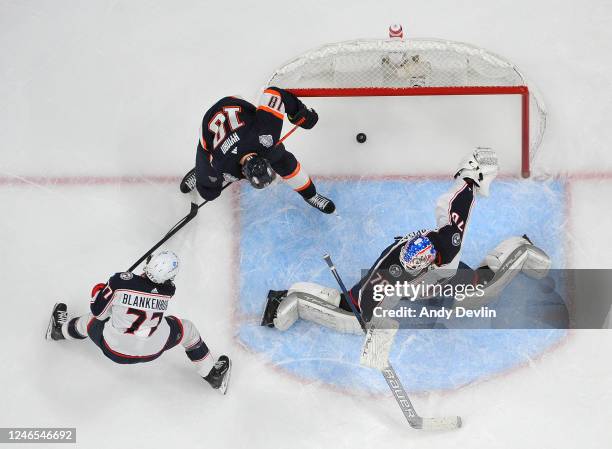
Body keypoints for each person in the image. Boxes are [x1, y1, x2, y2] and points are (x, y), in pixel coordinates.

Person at [260, 148, 551, 336]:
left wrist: (472, 176)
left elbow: (453, 205)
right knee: (353, 316)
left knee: (482, 291)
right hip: (419, 276)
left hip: (434, 277)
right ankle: (291, 300)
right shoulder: (405, 263)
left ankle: (519, 249)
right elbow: (370, 297)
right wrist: (368, 319)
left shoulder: (444, 240)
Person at [45, 251, 232, 394]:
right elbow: (152, 287)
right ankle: (212, 376)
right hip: (152, 349)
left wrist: (101, 289)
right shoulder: (168, 291)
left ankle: (59, 331)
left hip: (113, 349)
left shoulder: (119, 281)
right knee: (188, 330)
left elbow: (98, 312)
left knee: (89, 321)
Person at [179, 87, 335, 214]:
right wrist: (205, 176)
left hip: (235, 106)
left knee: (282, 159)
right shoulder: (221, 164)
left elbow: (274, 94)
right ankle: (199, 173)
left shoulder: (265, 133)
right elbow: (272, 93)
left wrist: (301, 113)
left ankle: (311, 195)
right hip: (210, 129)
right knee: (209, 190)